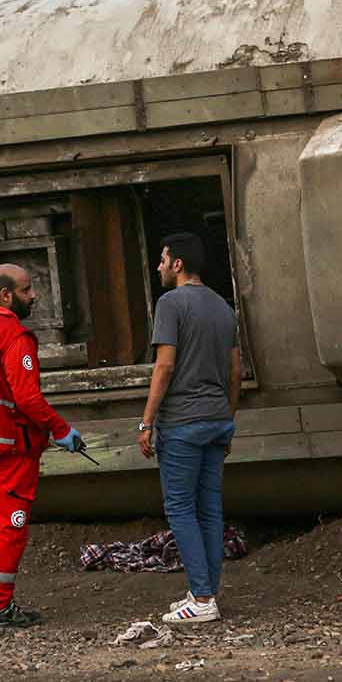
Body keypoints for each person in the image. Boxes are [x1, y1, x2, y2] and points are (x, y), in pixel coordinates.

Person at [0, 263, 82, 630]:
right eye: (27, 290)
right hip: (12, 446)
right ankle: (0, 610)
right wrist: (60, 429)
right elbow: (26, 397)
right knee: (12, 525)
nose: (34, 296)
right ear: (6, 295)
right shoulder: (14, 336)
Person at [136, 233, 241, 625]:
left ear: (177, 264)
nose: (158, 266)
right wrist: (227, 419)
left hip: (183, 422)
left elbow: (164, 367)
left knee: (180, 508)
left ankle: (200, 598)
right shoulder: (221, 306)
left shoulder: (170, 304)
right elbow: (235, 372)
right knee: (210, 510)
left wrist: (146, 421)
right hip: (217, 421)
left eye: (162, 259)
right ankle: (206, 593)